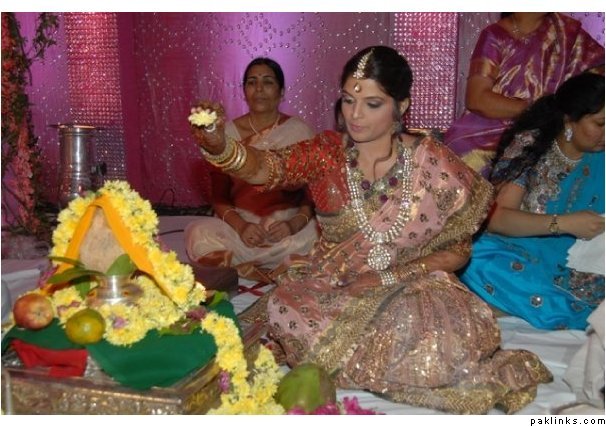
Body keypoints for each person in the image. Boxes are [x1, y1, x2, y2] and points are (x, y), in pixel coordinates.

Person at [189, 46, 552, 414]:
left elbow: (459, 250)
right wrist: (220, 145)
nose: (355, 115)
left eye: (372, 104)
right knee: (286, 306)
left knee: (440, 332)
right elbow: (265, 168)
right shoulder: (327, 153)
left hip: (411, 283)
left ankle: (369, 359)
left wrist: (389, 277)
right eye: (348, 101)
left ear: (401, 106)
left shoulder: (431, 160)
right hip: (335, 284)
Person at [459, 72, 605, 331]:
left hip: (576, 261)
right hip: (517, 249)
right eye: (600, 123)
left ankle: (511, 308)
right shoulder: (533, 145)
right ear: (569, 120)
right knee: (473, 256)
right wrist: (564, 223)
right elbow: (496, 218)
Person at [185, 57, 318, 282]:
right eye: (252, 82)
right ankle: (274, 267)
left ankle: (245, 267)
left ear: (282, 92)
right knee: (197, 232)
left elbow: (312, 193)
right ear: (244, 91)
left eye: (268, 82)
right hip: (242, 233)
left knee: (319, 232)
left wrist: (293, 224)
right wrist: (242, 226)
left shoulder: (300, 132)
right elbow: (219, 196)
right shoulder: (225, 134)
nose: (259, 88)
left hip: (286, 234)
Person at [444, 12, 604, 178]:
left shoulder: (567, 34)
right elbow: (477, 99)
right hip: (486, 135)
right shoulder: (495, 35)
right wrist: (537, 111)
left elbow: (596, 81)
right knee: (462, 156)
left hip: (548, 131)